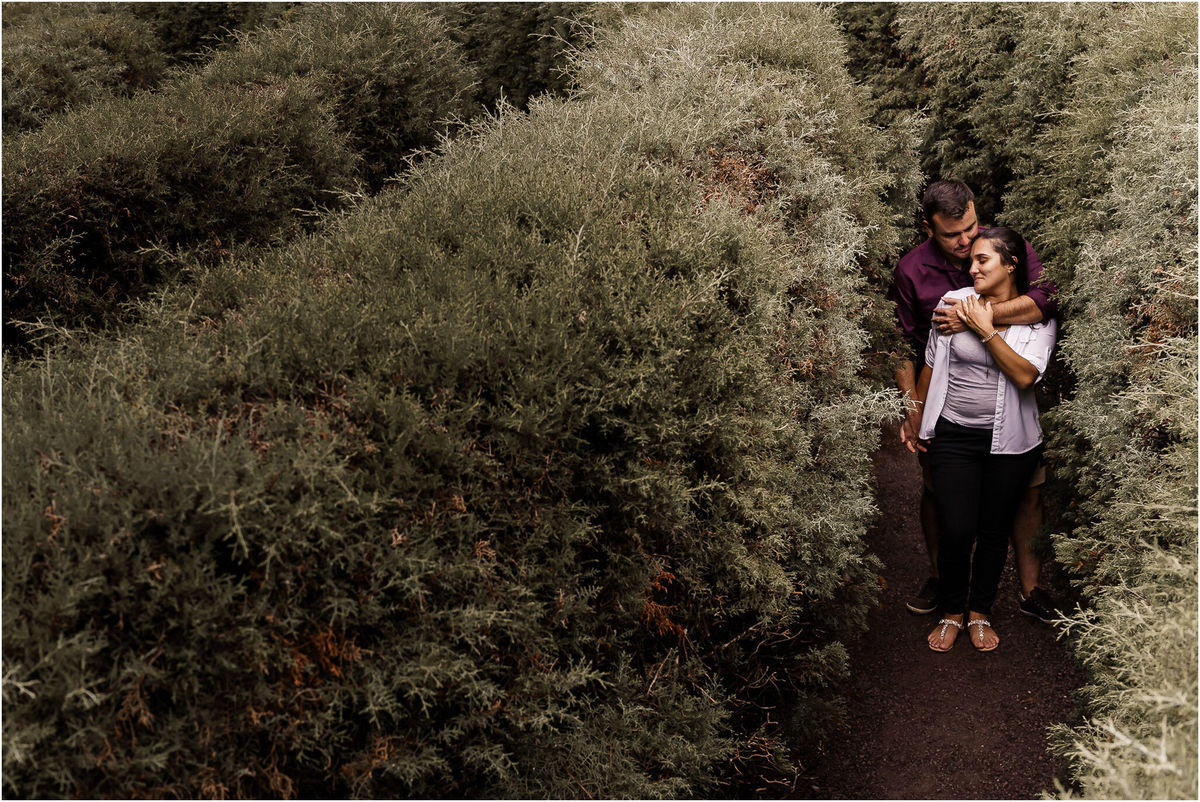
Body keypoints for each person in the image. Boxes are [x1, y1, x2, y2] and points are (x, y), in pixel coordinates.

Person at [888, 180, 1060, 622]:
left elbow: (1044, 300)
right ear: (929, 229)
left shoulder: (1003, 247)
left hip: (1012, 418)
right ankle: (941, 580)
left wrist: (975, 317)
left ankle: (1030, 589)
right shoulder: (912, 271)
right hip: (949, 410)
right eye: (953, 235)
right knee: (937, 494)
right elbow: (903, 344)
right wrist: (913, 409)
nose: (966, 243)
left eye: (971, 228)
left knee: (1026, 495)